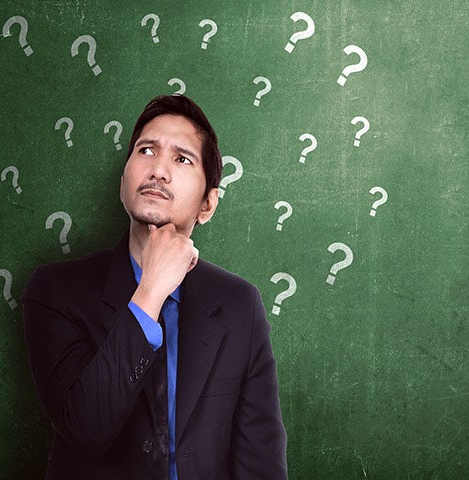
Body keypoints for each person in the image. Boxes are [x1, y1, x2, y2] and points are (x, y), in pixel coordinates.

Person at [22, 95, 287, 480]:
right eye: (146, 150)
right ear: (123, 181)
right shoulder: (55, 291)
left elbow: (260, 463)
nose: (159, 169)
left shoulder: (239, 305)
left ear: (208, 204)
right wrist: (151, 291)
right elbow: (86, 428)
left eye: (182, 159)